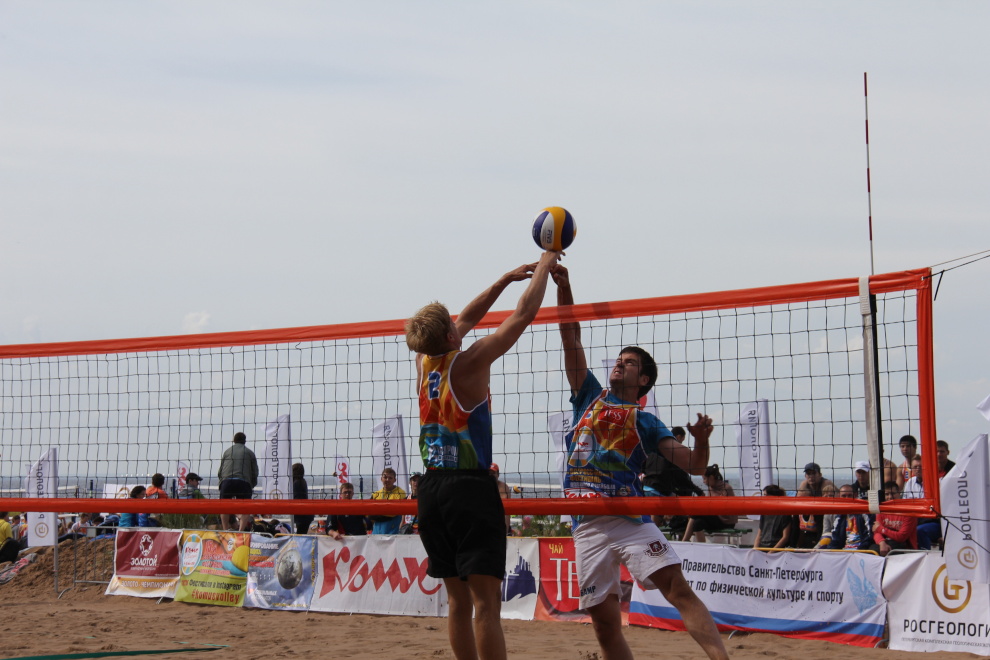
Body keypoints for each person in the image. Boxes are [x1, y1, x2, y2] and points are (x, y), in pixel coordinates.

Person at [552, 263, 728, 660]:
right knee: (604, 624)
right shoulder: (589, 396)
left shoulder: (646, 421)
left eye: (629, 362)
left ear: (643, 380)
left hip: (629, 518)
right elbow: (569, 335)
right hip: (586, 523)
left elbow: (694, 466)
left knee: (678, 590)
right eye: (619, 359)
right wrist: (564, 288)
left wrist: (702, 441)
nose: (619, 363)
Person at [405, 251, 558, 660]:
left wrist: (504, 279)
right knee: (486, 606)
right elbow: (523, 315)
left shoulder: (424, 362)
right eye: (453, 325)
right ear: (450, 336)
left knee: (457, 602)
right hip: (469, 488)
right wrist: (546, 263)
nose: (460, 326)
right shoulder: (469, 362)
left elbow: (464, 319)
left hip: (430, 488)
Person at [643, 426, 705, 531]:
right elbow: (681, 476)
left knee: (653, 519)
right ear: (679, 437)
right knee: (685, 508)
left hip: (645, 487)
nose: (681, 444)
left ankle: (673, 524)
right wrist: (698, 491)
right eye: (682, 440)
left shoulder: (655, 448)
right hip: (658, 489)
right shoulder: (673, 452)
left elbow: (644, 466)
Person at [681, 465, 737, 543]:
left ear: (711, 477)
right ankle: (702, 547)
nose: (703, 481)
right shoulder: (711, 488)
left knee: (696, 513)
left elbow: (720, 507)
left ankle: (684, 540)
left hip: (726, 521)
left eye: (704, 478)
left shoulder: (726, 488)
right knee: (697, 523)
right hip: (716, 518)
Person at [218, 431, 259, 532]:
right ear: (245, 441)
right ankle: (241, 531)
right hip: (243, 482)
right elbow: (255, 472)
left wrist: (222, 483)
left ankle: (225, 530)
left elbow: (220, 471)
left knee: (224, 507)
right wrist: (252, 485)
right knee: (245, 508)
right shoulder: (250, 453)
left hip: (227, 481)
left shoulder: (227, 452)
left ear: (234, 440)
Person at [870, 481, 917, 556]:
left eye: (893, 493)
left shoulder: (908, 512)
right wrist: (882, 543)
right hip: (885, 544)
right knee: (870, 551)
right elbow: (876, 532)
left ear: (899, 493)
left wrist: (882, 529)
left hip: (905, 549)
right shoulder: (881, 510)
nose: (890, 497)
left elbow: (901, 537)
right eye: (887, 494)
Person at [827, 485, 873, 551]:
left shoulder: (864, 513)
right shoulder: (839, 517)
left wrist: (859, 550)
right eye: (844, 496)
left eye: (849, 495)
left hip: (862, 551)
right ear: (839, 497)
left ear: (855, 495)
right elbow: (835, 539)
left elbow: (869, 536)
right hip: (844, 551)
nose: (847, 498)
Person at [752, 485, 793, 551]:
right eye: (764, 495)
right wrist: (755, 549)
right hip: (763, 546)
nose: (764, 498)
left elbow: (785, 537)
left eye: (766, 495)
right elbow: (759, 535)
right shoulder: (765, 513)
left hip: (776, 548)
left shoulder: (785, 514)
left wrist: (771, 552)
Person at [369, 468, 406, 534]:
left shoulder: (400, 493)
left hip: (392, 533)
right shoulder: (376, 494)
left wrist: (377, 513)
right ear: (381, 479)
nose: (387, 480)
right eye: (385, 477)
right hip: (376, 532)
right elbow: (369, 514)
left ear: (394, 480)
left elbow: (392, 513)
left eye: (390, 478)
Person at [292, 463, 314, 535]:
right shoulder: (302, 481)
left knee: (300, 535)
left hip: (301, 514)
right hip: (305, 514)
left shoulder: (296, 483)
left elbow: (296, 498)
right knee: (301, 534)